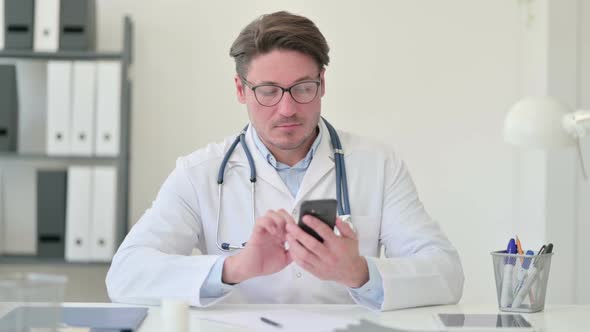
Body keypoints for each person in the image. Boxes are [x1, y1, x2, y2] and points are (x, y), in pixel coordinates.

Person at [106, 11, 464, 311]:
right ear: (240, 89)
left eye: (303, 87)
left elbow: (447, 275)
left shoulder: (378, 165)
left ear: (322, 84)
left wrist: (360, 272)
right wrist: (234, 268)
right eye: (268, 91)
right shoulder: (198, 173)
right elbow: (125, 275)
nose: (288, 108)